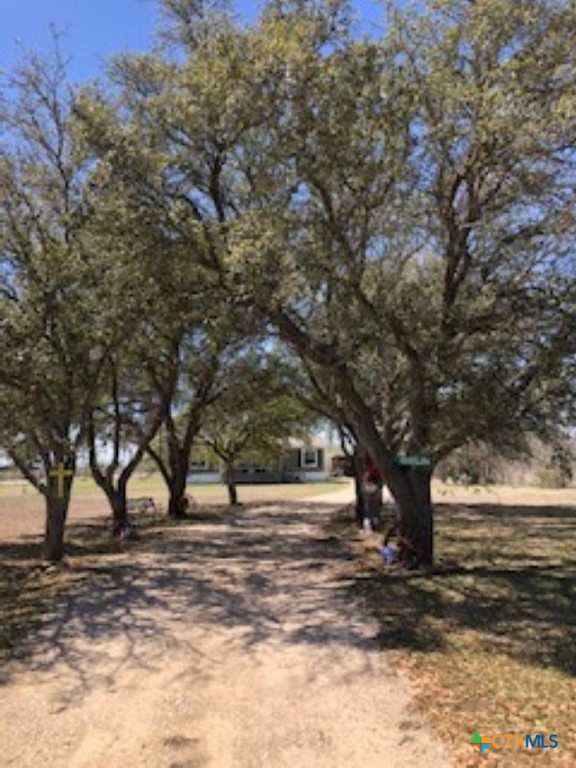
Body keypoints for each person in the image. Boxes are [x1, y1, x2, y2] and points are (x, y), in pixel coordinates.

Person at [362, 456, 383, 533]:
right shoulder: (373, 467)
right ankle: (372, 524)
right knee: (373, 505)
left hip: (371, 484)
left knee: (371, 506)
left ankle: (372, 524)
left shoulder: (369, 467)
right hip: (373, 484)